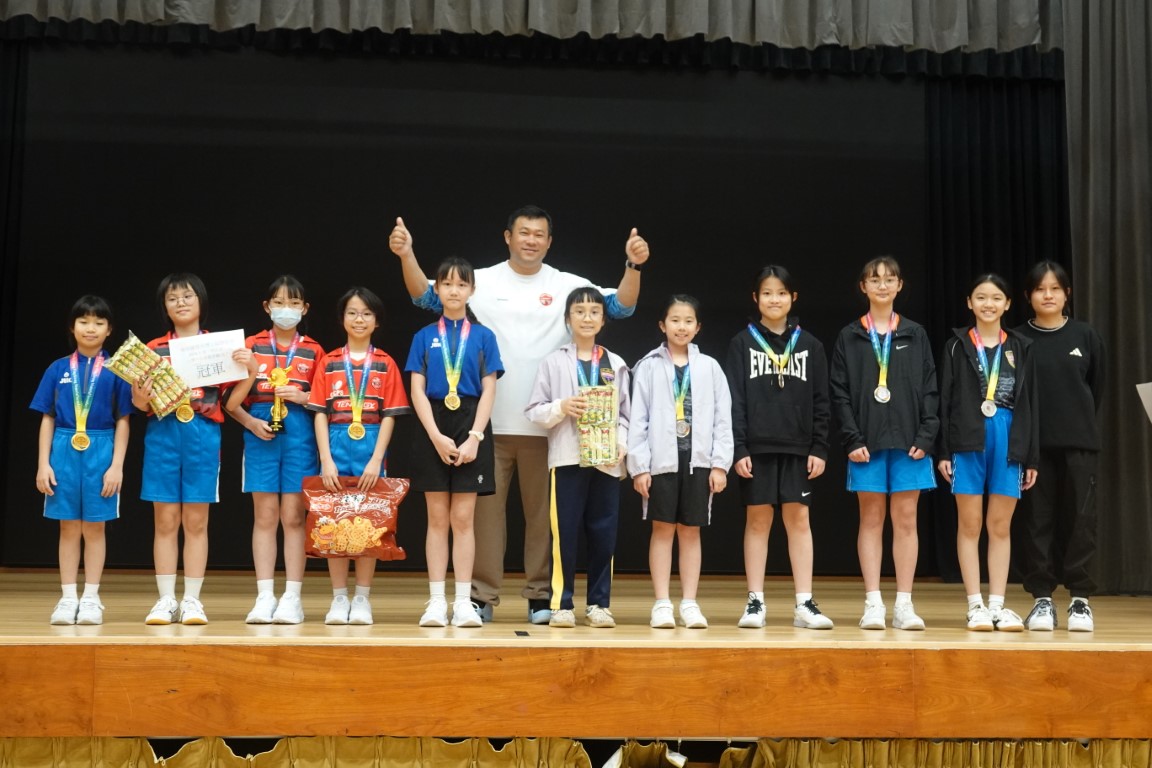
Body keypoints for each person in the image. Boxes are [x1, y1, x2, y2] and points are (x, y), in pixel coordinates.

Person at [389, 205, 649, 623]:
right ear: (507, 236)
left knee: (543, 520)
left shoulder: (569, 284)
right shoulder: (481, 281)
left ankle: (540, 595)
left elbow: (621, 306)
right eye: (523, 232)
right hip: (485, 425)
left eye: (539, 234)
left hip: (551, 427)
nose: (531, 240)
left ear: (549, 241)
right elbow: (425, 296)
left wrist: (632, 265)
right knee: (485, 519)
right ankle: (480, 596)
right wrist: (406, 255)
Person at [829, 256, 939, 631]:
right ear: (863, 287)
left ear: (899, 286)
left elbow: (930, 388)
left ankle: (904, 604)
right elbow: (839, 393)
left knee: (906, 520)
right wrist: (851, 438)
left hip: (910, 443)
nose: (882, 285)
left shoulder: (915, 334)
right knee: (871, 519)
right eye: (874, 280)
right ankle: (873, 602)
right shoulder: (850, 336)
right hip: (866, 444)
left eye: (889, 279)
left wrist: (926, 435)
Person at [725, 266, 833, 630]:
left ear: (793, 298)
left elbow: (821, 401)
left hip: (798, 447)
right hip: (756, 447)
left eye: (782, 293)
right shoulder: (742, 343)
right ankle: (755, 601)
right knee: (758, 520)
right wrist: (739, 448)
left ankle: (804, 602)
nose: (775, 299)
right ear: (756, 298)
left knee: (799, 520)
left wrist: (819, 447)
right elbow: (735, 401)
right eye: (768, 293)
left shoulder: (810, 345)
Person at [132, 273, 242, 625]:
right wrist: (140, 395)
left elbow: (230, 401)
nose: (180, 302)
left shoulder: (218, 347)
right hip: (163, 434)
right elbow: (139, 404)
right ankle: (166, 600)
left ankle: (192, 600)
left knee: (196, 521)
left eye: (187, 296)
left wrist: (252, 371)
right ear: (164, 307)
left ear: (201, 302)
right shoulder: (153, 349)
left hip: (203, 436)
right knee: (165, 520)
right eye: (172, 298)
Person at [405, 257, 503, 628]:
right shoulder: (423, 336)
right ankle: (435, 602)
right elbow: (416, 388)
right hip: (433, 423)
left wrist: (475, 436)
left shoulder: (483, 336)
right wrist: (434, 435)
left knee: (463, 519)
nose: (454, 290)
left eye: (461, 284)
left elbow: (490, 388)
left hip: (471, 422)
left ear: (472, 290)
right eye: (446, 284)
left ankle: (463, 602)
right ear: (437, 289)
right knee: (436, 518)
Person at [937, 273, 1038, 632]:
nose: (988, 304)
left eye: (996, 298)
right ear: (969, 302)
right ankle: (975, 605)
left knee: (1000, 525)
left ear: (1008, 304)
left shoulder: (1022, 346)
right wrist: (943, 451)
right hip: (968, 437)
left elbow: (1031, 403)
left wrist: (1031, 456)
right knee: (970, 524)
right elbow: (945, 400)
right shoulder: (956, 345)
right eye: (981, 297)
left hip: (1009, 438)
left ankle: (997, 605)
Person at [524, 287, 630, 628]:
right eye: (579, 311)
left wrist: (622, 444)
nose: (587, 318)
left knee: (604, 534)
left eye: (594, 311)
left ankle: (599, 604)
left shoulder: (616, 363)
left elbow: (626, 415)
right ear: (568, 318)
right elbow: (534, 410)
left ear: (603, 319)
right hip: (567, 459)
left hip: (606, 461)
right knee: (564, 534)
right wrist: (562, 406)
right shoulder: (554, 362)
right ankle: (561, 604)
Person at [307, 287, 411, 626]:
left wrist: (376, 459)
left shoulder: (385, 363)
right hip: (335, 444)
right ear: (342, 319)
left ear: (377, 321)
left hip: (371, 444)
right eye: (352, 312)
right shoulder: (329, 362)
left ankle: (363, 598)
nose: (359, 319)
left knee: (370, 523)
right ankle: (339, 598)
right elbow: (319, 413)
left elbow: (390, 415)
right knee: (333, 521)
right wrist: (325, 459)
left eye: (366, 313)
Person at [225, 275, 325, 625]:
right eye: (279, 303)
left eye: (294, 303)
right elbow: (230, 402)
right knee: (265, 516)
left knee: (294, 517)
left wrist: (303, 396)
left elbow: (325, 402)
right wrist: (250, 423)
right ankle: (264, 595)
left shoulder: (314, 350)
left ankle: (292, 597)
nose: (287, 309)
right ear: (267, 307)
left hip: (300, 436)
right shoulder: (249, 346)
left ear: (304, 309)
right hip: (260, 432)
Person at [628, 295, 732, 629]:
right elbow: (637, 419)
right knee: (662, 529)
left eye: (688, 321)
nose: (681, 327)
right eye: (675, 320)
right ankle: (661, 603)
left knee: (690, 532)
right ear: (662, 325)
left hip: (698, 462)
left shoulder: (710, 367)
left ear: (698, 327)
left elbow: (723, 420)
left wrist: (720, 464)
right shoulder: (648, 366)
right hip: (661, 462)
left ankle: (689, 603)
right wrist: (639, 467)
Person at [31, 295, 133, 625]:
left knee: (94, 527)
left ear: (109, 330)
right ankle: (67, 597)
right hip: (63, 447)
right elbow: (47, 417)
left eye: (99, 322)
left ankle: (91, 597)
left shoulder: (117, 371)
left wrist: (116, 465)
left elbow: (124, 420)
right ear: (72, 327)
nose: (91, 328)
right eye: (84, 321)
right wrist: (43, 463)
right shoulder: (57, 368)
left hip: (101, 448)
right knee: (68, 527)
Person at [1015, 261, 1105, 631]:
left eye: (1055, 288)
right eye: (1040, 289)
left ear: (1067, 293)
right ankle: (1042, 599)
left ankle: (1080, 599)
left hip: (1079, 444)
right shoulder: (1017, 339)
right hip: (1034, 449)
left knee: (1081, 521)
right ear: (1028, 296)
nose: (1048, 295)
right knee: (1037, 521)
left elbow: (1095, 387)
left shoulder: (1085, 335)